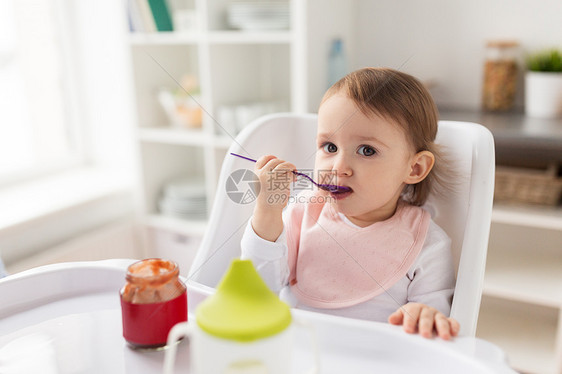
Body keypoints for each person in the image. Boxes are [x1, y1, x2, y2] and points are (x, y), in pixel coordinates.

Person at [240, 67, 459, 340]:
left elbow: (433, 321)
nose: (339, 167)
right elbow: (257, 290)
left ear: (414, 169)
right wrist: (267, 212)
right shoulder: (303, 213)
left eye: (367, 150)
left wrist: (425, 314)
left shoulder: (428, 243)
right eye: (329, 147)